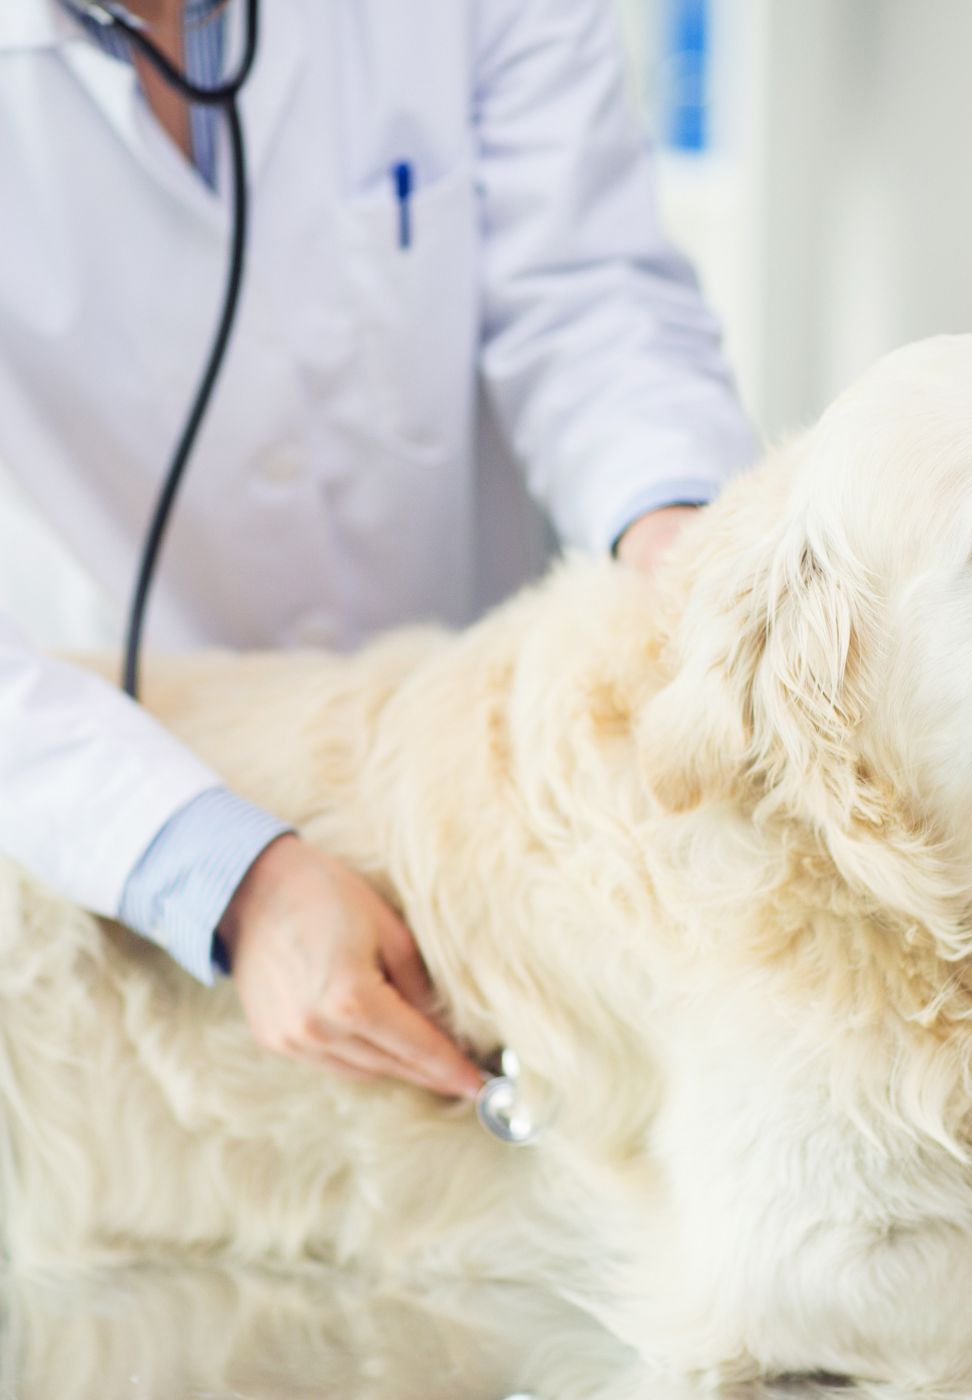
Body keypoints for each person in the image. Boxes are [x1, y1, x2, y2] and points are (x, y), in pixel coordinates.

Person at [0, 0, 756, 1098]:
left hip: (483, 750)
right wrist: (218, 872)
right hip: (108, 783)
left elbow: (590, 300)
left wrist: (684, 541)